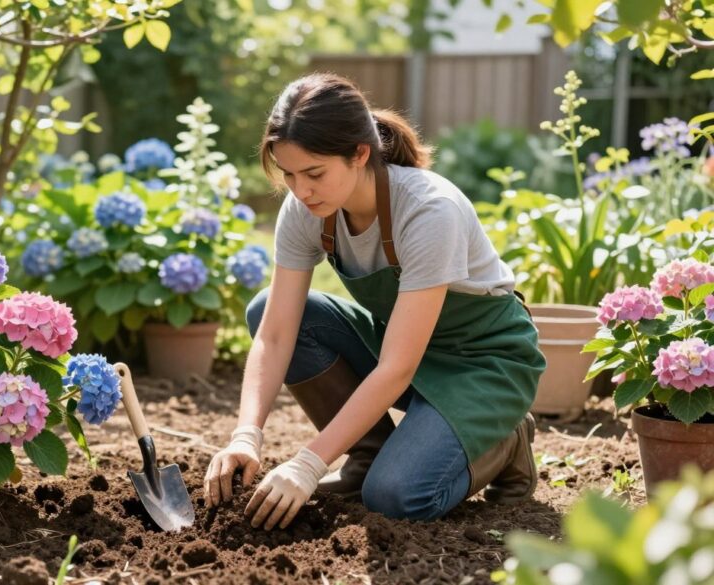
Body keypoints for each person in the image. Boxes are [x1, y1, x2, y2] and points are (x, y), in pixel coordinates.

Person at [202, 73, 546, 530]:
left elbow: (396, 368)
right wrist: (247, 434)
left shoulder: (428, 210)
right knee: (266, 307)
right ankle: (368, 455)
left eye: (314, 173)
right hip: (403, 347)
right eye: (288, 174)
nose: (300, 190)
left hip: (482, 364)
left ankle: (506, 442)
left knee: (396, 497)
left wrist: (310, 463)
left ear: (360, 153)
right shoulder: (307, 209)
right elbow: (278, 330)